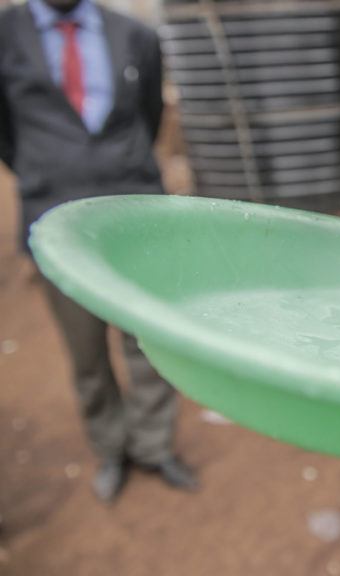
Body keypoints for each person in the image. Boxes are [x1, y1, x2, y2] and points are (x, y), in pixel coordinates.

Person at [0, 0, 197, 503]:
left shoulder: (133, 35)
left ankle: (154, 446)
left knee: (147, 340)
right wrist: (45, 169)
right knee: (86, 352)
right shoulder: (7, 32)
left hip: (134, 214)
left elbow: (149, 112)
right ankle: (113, 447)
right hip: (53, 219)